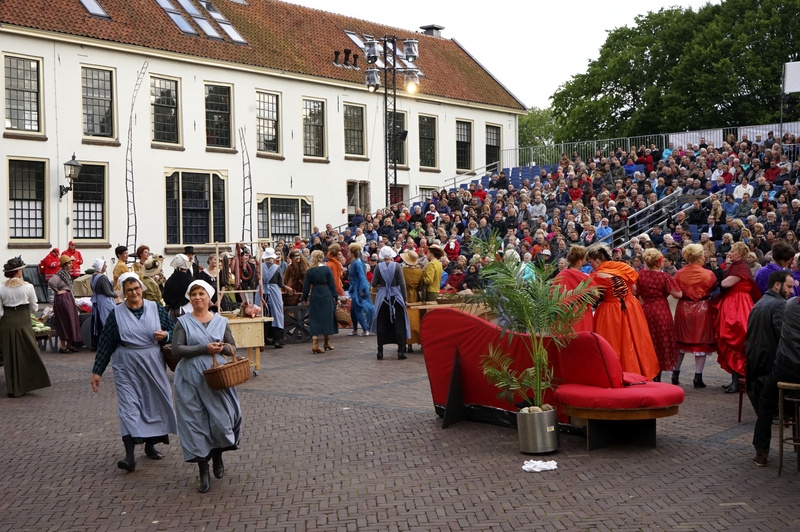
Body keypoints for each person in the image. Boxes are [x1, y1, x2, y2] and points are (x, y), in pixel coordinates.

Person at [90, 273, 177, 472]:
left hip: (152, 362)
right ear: (123, 292)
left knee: (153, 402)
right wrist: (97, 371)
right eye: (129, 290)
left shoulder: (156, 309)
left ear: (142, 288)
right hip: (126, 363)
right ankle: (129, 456)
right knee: (128, 406)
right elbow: (106, 343)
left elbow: (175, 330)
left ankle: (150, 445)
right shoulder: (116, 314)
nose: (134, 293)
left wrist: (166, 334)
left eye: (136, 288)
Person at [172, 280, 241, 493]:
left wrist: (222, 349)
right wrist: (204, 348)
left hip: (215, 377)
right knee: (195, 423)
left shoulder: (221, 321)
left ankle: (218, 456)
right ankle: (203, 471)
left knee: (220, 420)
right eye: (193, 294)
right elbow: (176, 350)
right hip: (189, 378)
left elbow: (232, 348)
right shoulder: (182, 322)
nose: (197, 298)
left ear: (209, 297)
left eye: (201, 293)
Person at [587, 244, 659, 379]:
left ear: (597, 260)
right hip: (631, 306)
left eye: (591, 262)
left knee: (614, 342)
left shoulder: (597, 275)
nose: (591, 265)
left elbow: (594, 297)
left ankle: (616, 373)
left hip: (610, 309)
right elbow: (634, 290)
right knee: (636, 338)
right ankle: (641, 371)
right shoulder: (624, 267)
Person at [752, 296, 800, 467]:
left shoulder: (791, 304)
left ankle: (761, 452)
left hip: (785, 369)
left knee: (766, 403)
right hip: (787, 369)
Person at [0, 257, 51, 398]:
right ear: (18, 272)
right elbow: (34, 308)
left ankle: (12, 388)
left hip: (7, 323)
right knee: (28, 352)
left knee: (9, 355)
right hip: (23, 321)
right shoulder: (28, 287)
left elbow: (0, 312)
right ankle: (26, 384)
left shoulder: (1, 288)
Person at [715, 241, 762, 394]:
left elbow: (726, 284)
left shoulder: (740, 268)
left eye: (733, 251)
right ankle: (736, 380)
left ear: (740, 254)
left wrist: (718, 280)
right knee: (734, 339)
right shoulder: (738, 267)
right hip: (735, 304)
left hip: (737, 305)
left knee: (735, 338)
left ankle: (738, 381)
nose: (729, 252)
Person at [745, 270, 793, 414]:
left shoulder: (760, 303)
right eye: (789, 287)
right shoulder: (780, 304)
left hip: (756, 366)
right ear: (777, 285)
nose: (791, 291)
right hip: (769, 368)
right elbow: (784, 337)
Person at [673, 244, 718, 388]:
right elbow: (712, 287)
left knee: (680, 342)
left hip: (683, 307)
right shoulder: (709, 274)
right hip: (702, 308)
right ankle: (698, 377)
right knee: (701, 343)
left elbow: (676, 288)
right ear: (699, 256)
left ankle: (675, 373)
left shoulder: (679, 273)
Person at [636, 249, 683, 382]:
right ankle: (658, 376)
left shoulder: (641, 275)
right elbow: (678, 294)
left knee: (648, 340)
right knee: (661, 341)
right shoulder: (664, 277)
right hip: (661, 310)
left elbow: (635, 291)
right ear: (659, 261)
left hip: (645, 310)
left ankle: (647, 372)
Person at [370, 246, 410, 360]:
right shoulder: (397, 266)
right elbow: (402, 284)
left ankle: (380, 351)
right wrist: (404, 298)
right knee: (399, 323)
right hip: (396, 296)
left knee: (381, 322)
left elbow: (373, 283)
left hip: (383, 297)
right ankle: (401, 351)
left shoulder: (378, 267)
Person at [301, 250, 339, 354]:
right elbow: (332, 284)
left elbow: (306, 287)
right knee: (327, 317)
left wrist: (304, 299)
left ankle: (315, 344)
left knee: (315, 318)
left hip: (315, 294)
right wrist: (336, 297)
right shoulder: (326, 269)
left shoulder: (309, 271)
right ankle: (326, 342)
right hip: (326, 293)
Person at [553, 245, 594, 332]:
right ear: (579, 261)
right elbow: (595, 295)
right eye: (584, 259)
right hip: (581, 315)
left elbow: (552, 296)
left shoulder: (560, 275)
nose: (585, 261)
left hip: (563, 315)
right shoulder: (585, 278)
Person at [48, 255, 82, 353]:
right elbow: (51, 281)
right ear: (64, 265)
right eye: (69, 263)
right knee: (64, 321)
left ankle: (69, 345)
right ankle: (63, 346)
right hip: (63, 300)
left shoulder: (66, 274)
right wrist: (57, 291)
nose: (71, 265)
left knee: (71, 320)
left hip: (68, 299)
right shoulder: (60, 275)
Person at [261, 247, 288, 349]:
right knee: (277, 313)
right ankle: (277, 340)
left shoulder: (259, 267)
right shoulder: (277, 268)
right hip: (274, 291)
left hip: (262, 291)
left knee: (263, 313)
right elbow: (280, 283)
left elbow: (254, 280)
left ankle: (263, 338)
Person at [347, 244, 374, 337]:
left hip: (359, 289)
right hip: (355, 288)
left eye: (349, 252)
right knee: (353, 310)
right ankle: (355, 329)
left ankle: (365, 330)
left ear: (353, 253)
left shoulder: (357, 263)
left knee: (357, 310)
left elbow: (362, 277)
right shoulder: (355, 262)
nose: (347, 254)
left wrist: (361, 290)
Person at [400, 250, 424, 352]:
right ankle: (415, 342)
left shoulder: (402, 270)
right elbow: (421, 287)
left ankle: (406, 344)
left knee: (405, 320)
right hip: (415, 297)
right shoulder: (420, 272)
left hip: (404, 296)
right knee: (416, 320)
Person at [90, 258, 116, 350]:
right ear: (101, 267)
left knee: (97, 321)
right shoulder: (102, 278)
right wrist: (115, 295)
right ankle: (106, 342)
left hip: (97, 301)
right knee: (105, 321)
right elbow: (107, 292)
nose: (106, 266)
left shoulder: (92, 276)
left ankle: (96, 342)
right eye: (104, 265)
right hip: (104, 301)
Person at [163, 254, 194, 322]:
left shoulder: (170, 280)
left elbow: (165, 297)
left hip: (172, 312)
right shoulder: (190, 280)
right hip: (187, 311)